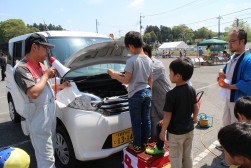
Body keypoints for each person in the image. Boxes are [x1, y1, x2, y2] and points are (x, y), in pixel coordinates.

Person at [14, 33, 70, 168]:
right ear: (35, 47)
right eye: (45, 48)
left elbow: (46, 89)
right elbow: (33, 93)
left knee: (50, 155)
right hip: (38, 120)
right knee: (46, 159)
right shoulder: (22, 68)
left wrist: (62, 86)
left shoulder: (40, 65)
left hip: (48, 117)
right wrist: (45, 75)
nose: (48, 52)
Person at [147, 58, 199, 168]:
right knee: (187, 155)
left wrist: (163, 132)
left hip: (176, 133)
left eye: (170, 72)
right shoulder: (192, 90)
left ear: (178, 76)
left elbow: (167, 115)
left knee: (175, 158)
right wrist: (195, 117)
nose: (169, 75)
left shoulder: (171, 94)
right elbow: (196, 107)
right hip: (189, 130)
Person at [107, 31, 153, 153]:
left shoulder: (131, 60)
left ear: (131, 46)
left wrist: (114, 75)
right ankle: (145, 142)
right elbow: (150, 79)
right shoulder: (148, 60)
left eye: (128, 48)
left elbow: (126, 80)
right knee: (146, 120)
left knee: (136, 122)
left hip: (136, 94)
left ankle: (137, 145)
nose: (129, 51)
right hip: (147, 91)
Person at [218, 28, 251, 127]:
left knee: (238, 128)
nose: (230, 44)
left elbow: (249, 83)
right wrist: (221, 76)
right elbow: (225, 71)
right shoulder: (232, 56)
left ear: (242, 41)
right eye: (229, 41)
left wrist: (229, 86)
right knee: (226, 124)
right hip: (229, 99)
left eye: (233, 41)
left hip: (239, 103)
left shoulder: (248, 59)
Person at [142, 44, 171, 139]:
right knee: (155, 129)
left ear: (145, 53)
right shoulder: (143, 64)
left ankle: (172, 149)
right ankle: (158, 148)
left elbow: (142, 79)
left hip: (164, 100)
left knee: (169, 125)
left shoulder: (156, 65)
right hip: (152, 99)